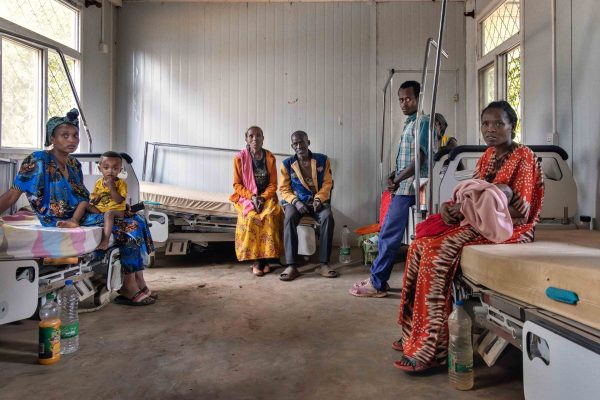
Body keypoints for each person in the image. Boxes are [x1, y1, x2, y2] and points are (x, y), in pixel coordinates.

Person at [392, 101, 544, 372]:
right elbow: (472, 195)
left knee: (436, 252)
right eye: (485, 123)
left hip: (510, 228)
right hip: (479, 221)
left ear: (512, 126)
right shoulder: (486, 157)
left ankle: (432, 346)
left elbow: (519, 212)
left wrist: (466, 210)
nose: (490, 129)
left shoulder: (525, 157)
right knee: (418, 245)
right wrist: (451, 207)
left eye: (498, 123)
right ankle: (413, 332)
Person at [0, 109, 156, 306]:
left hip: (82, 213)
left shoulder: (74, 164)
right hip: (59, 219)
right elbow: (13, 194)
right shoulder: (37, 160)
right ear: (52, 138)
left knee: (137, 219)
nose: (72, 140)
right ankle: (128, 286)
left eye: (75, 135)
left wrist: (100, 208)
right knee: (129, 226)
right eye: (65, 135)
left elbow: (82, 196)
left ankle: (139, 280)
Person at [350, 80, 430, 297]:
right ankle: (377, 280)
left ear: (419, 98)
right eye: (401, 100)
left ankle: (377, 284)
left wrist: (399, 179)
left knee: (388, 235)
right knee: (388, 233)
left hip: (412, 188)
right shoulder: (409, 123)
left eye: (408, 99)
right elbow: (407, 158)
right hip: (403, 185)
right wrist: (394, 175)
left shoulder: (423, 122)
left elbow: (420, 158)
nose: (404, 103)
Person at [278, 130, 338, 281]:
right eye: (295, 143)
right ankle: (291, 265)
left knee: (327, 217)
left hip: (317, 202)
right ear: (292, 146)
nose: (299, 146)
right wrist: (296, 202)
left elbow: (327, 183)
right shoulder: (286, 164)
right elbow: (284, 189)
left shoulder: (322, 160)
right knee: (289, 218)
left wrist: (318, 199)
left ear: (308, 143)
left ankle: (323, 264)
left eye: (302, 142)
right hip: (296, 202)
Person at [230, 126, 284, 276]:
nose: (255, 139)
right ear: (246, 139)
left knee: (270, 215)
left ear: (263, 138)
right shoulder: (239, 158)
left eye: (258, 135)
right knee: (251, 217)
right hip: (247, 197)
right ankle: (258, 261)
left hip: (266, 197)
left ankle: (265, 260)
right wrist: (252, 197)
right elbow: (237, 185)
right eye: (251, 136)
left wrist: (262, 197)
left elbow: (273, 184)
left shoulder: (270, 157)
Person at [89, 151, 127, 250]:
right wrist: (96, 199)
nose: (110, 171)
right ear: (100, 169)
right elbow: (94, 201)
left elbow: (119, 200)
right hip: (100, 210)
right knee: (84, 204)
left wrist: (111, 188)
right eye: (106, 168)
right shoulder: (98, 183)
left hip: (116, 211)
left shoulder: (121, 184)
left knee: (109, 214)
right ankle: (74, 221)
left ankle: (105, 241)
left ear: (120, 170)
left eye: (115, 168)